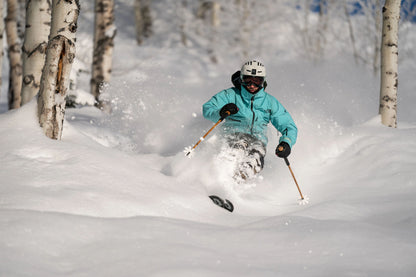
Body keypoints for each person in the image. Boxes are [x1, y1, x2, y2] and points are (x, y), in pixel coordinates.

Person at [202, 60, 298, 180]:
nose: (252, 85)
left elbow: (288, 125)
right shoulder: (231, 95)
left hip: (258, 141)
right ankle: (220, 180)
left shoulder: (269, 102)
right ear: (241, 79)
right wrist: (221, 112)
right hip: (233, 135)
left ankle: (233, 185)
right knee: (236, 151)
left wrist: (286, 142)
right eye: (248, 81)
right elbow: (207, 109)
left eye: (257, 81)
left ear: (263, 81)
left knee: (253, 161)